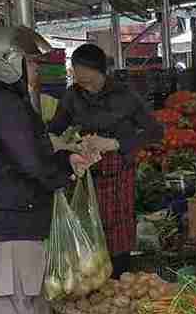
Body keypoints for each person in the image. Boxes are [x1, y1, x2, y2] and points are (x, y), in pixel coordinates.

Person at [0, 25, 101, 314]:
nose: (37, 68)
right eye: (30, 62)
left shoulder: (9, 103)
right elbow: (31, 162)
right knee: (10, 307)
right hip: (3, 222)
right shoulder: (5, 105)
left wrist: (66, 162)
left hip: (12, 219)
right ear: (7, 63)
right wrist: (64, 170)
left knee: (24, 303)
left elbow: (32, 156)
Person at [46, 43, 161, 277]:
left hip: (118, 171)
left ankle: (119, 276)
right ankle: (93, 277)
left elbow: (155, 131)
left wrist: (115, 143)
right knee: (88, 223)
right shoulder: (72, 96)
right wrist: (68, 146)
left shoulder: (125, 95)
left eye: (89, 80)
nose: (85, 86)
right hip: (85, 170)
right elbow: (55, 129)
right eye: (80, 80)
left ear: (100, 71)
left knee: (117, 230)